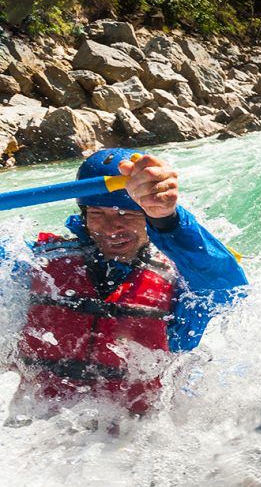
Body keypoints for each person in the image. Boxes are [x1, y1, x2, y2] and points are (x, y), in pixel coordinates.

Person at [6, 148, 248, 420]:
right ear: (83, 213)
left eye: (127, 214)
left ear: (149, 217)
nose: (111, 228)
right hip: (36, 428)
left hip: (133, 441)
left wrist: (168, 219)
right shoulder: (36, 261)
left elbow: (228, 290)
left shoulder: (179, 282)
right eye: (98, 212)